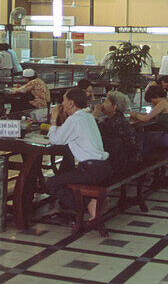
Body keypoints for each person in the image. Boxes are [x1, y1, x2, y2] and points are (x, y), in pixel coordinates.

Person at [44, 88, 110, 218]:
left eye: (64, 100)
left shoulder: (74, 120)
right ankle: (91, 202)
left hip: (90, 170)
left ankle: (89, 203)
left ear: (71, 103)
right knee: (64, 176)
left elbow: (56, 139)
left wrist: (53, 118)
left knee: (51, 183)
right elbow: (66, 132)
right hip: (104, 167)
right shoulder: (88, 117)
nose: (62, 104)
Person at [93, 90, 141, 220]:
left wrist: (96, 113)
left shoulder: (113, 123)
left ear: (114, 107)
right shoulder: (116, 120)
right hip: (130, 160)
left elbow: (92, 129)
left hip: (124, 164)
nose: (102, 104)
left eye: (105, 102)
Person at [131, 84, 168, 154]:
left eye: (151, 100)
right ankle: (150, 159)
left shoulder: (163, 103)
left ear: (156, 96)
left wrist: (134, 114)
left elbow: (145, 118)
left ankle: (140, 159)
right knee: (149, 136)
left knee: (141, 136)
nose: (152, 103)